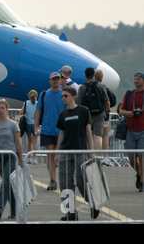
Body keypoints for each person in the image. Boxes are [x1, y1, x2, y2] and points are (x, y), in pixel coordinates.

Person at [56, 86, 98, 221]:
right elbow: (61, 133)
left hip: (80, 150)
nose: (63, 98)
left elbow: (88, 131)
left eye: (66, 96)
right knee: (65, 183)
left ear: (74, 96)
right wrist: (56, 152)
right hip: (65, 151)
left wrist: (91, 151)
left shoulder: (83, 111)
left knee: (81, 181)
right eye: (62, 96)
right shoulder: (63, 114)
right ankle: (70, 213)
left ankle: (93, 203)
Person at [0, 99, 24, 220]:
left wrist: (21, 158)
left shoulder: (13, 124)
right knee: (8, 184)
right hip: (0, 157)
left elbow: (18, 142)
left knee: (5, 182)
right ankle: (14, 211)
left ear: (6, 109)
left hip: (11, 156)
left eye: (2, 108)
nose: (0, 110)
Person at [34, 72, 66, 191]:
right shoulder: (44, 94)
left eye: (57, 79)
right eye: (54, 79)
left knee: (59, 156)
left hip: (61, 130)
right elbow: (38, 111)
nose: (56, 81)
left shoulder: (64, 93)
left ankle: (60, 178)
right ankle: (53, 180)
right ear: (50, 81)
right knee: (50, 155)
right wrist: (36, 126)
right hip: (47, 129)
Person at [118, 71, 144, 192]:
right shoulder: (129, 94)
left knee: (142, 156)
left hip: (143, 129)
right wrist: (126, 113)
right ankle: (139, 173)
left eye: (138, 79)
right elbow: (121, 110)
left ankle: (142, 181)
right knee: (132, 159)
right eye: (135, 79)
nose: (136, 80)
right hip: (131, 129)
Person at [76, 67, 110, 154]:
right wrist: (107, 110)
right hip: (99, 114)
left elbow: (79, 102)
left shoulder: (82, 87)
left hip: (87, 114)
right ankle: (96, 156)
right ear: (94, 75)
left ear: (85, 75)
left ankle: (89, 156)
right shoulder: (100, 85)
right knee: (97, 135)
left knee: (88, 135)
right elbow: (106, 100)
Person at [95, 69, 115, 166]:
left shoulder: (90, 88)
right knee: (105, 136)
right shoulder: (105, 88)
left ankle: (93, 155)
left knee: (93, 135)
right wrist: (108, 108)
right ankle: (105, 156)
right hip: (104, 115)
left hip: (92, 115)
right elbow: (113, 101)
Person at [20, 90, 38, 164]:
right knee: (35, 142)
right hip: (35, 124)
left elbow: (21, 111)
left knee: (29, 142)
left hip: (28, 123)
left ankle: (29, 158)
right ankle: (34, 158)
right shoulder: (38, 103)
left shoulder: (26, 103)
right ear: (36, 96)